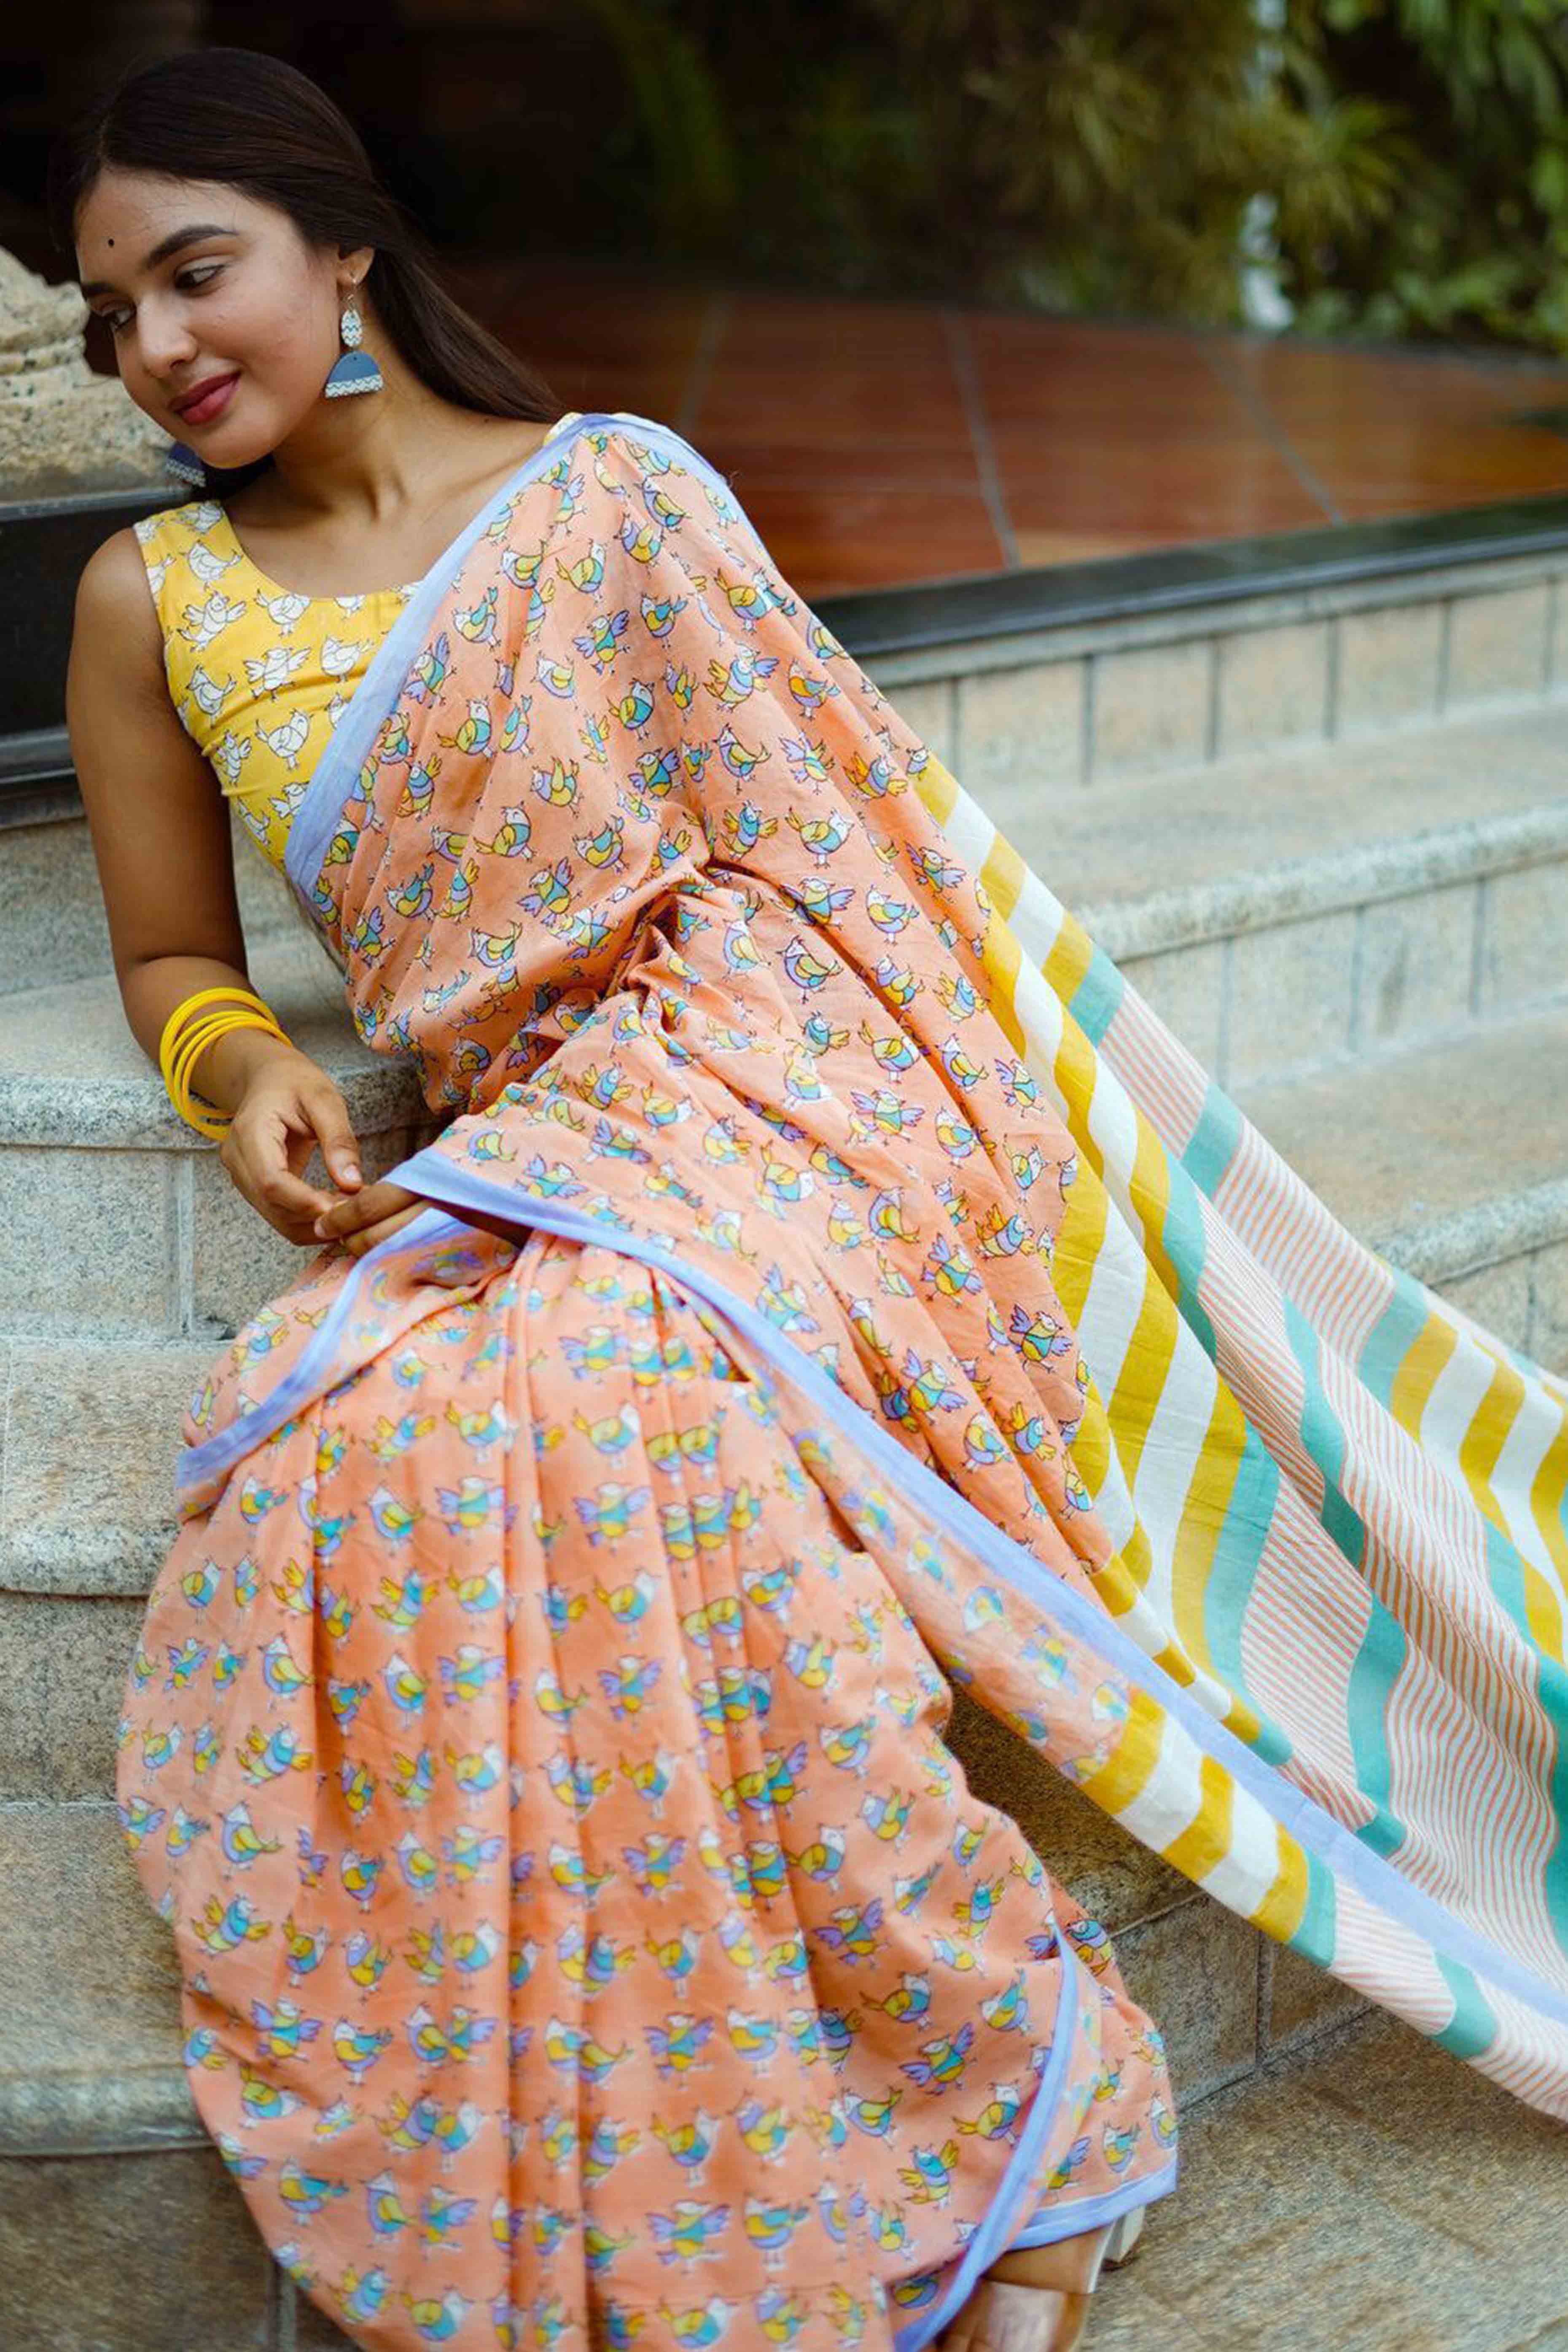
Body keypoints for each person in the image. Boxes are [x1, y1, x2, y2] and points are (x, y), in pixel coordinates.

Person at [48, 41, 1568, 2352]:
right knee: (453, 1438)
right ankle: (976, 2083)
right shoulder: (148, 596)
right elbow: (172, 953)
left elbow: (833, 842)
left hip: (783, 1067)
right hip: (539, 1123)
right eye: (109, 317)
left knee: (603, 1391)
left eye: (196, 271)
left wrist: (837, 1107)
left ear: (343, 248)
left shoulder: (617, 495)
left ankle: (1001, 2086)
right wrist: (241, 1064)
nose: (160, 346)